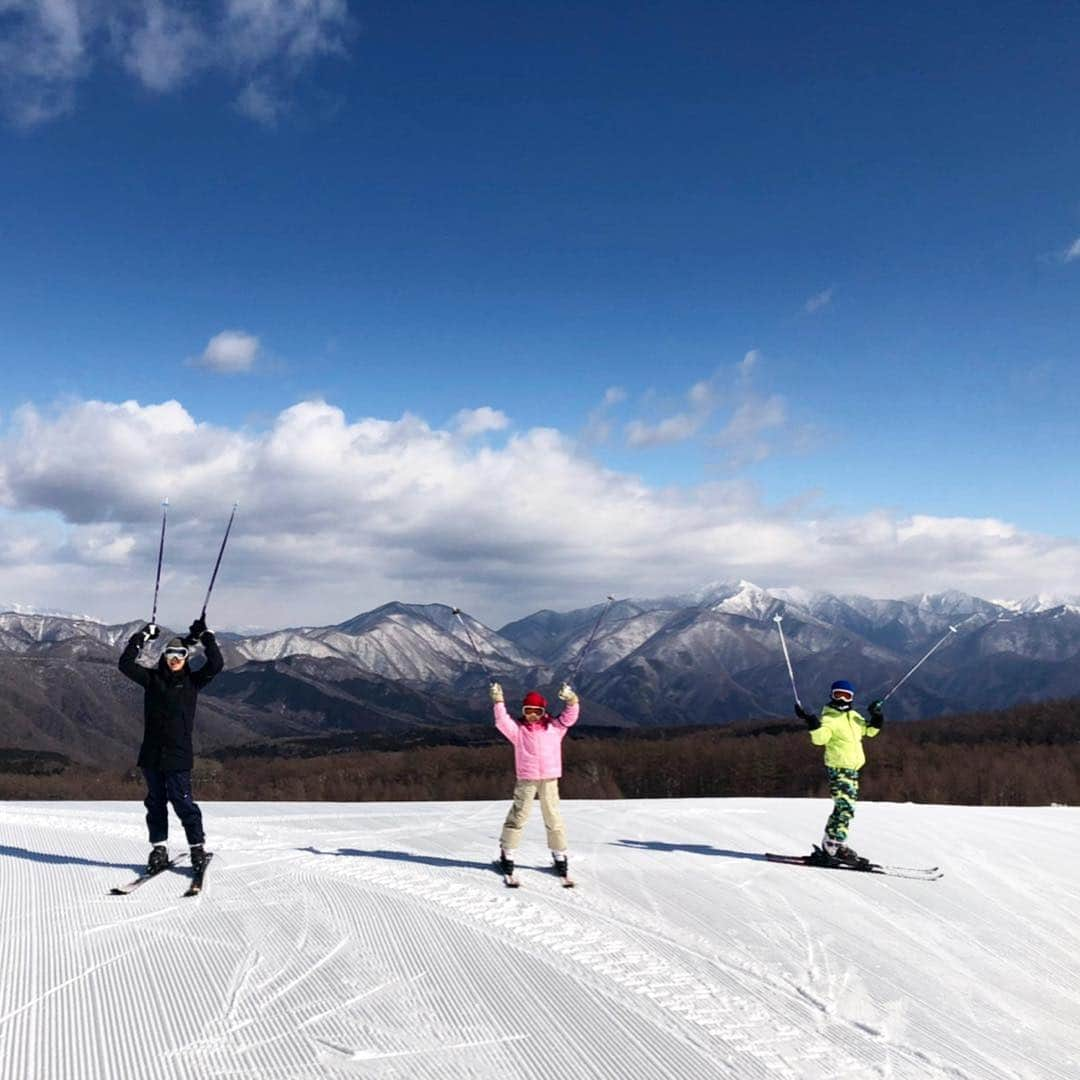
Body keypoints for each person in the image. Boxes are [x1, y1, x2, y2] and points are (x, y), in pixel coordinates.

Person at [118, 616, 224, 875]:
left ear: (186, 657)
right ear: (164, 656)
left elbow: (216, 664)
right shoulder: (152, 679)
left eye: (180, 654)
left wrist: (206, 636)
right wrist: (142, 637)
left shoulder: (193, 682)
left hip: (178, 756)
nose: (175, 658)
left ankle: (197, 848)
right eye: (170, 653)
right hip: (152, 755)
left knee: (183, 802)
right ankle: (159, 848)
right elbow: (124, 664)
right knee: (155, 803)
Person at [490, 682, 579, 880]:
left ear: (543, 711)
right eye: (528, 710)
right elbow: (502, 721)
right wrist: (498, 700)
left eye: (536, 711)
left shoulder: (555, 728)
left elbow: (570, 717)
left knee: (553, 816)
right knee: (520, 814)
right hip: (527, 779)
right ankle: (508, 851)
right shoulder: (519, 731)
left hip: (549, 778)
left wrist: (571, 699)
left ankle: (559, 853)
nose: (532, 715)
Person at [795, 679, 883, 864]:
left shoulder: (854, 717)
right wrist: (811, 721)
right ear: (832, 695)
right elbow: (820, 739)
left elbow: (870, 731)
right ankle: (833, 846)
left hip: (852, 770)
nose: (842, 699)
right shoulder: (829, 719)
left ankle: (833, 843)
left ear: (852, 698)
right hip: (839, 768)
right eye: (838, 695)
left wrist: (876, 716)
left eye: (846, 695)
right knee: (844, 808)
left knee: (845, 809)